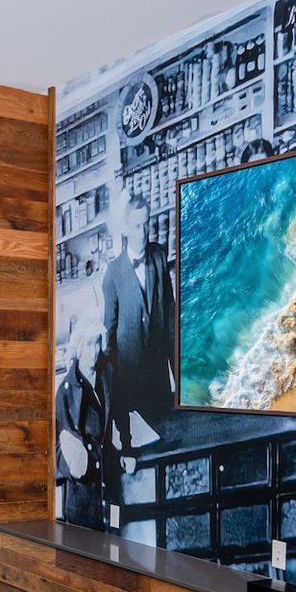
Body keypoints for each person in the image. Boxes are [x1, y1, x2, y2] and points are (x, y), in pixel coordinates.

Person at [100, 192, 175, 481]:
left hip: (159, 380)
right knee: (142, 464)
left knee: (168, 448)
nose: (142, 232)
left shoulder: (159, 256)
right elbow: (109, 334)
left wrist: (179, 379)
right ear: (125, 228)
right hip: (129, 384)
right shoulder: (113, 274)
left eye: (146, 224)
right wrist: (113, 393)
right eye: (135, 226)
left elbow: (170, 319)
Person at [56, 312, 109, 530]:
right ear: (78, 348)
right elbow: (57, 447)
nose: (94, 351)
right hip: (81, 498)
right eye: (88, 344)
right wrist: (76, 468)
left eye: (97, 343)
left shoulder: (107, 378)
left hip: (108, 488)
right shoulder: (66, 392)